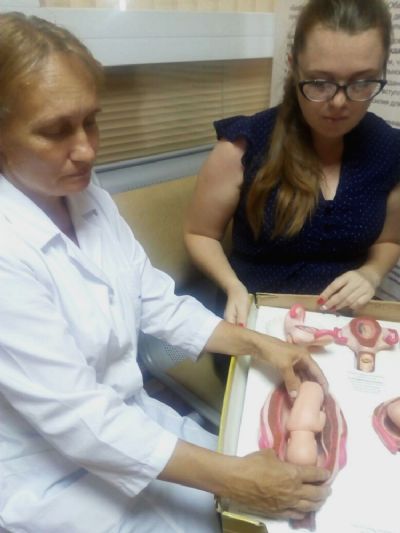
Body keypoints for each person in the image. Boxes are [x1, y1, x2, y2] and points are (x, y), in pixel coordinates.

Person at [0, 12, 332, 533]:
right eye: (55, 131)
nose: (87, 149)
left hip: (131, 418)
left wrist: (262, 345)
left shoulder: (85, 196)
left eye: (91, 121)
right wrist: (234, 479)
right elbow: (79, 419)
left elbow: (154, 301)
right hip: (52, 474)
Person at [184, 0, 400, 336]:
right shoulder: (243, 147)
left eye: (361, 83)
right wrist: (232, 286)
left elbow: (390, 240)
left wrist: (371, 274)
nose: (339, 102)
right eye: (320, 82)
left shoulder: (388, 149)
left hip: (343, 328)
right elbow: (200, 234)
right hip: (258, 322)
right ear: (294, 68)